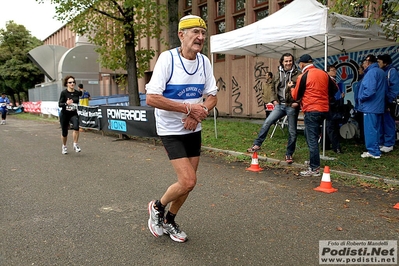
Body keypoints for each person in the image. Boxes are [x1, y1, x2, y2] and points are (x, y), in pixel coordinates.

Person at [145, 15, 218, 243]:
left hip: (192, 128)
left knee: (190, 183)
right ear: (181, 35)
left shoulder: (204, 62)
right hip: (170, 130)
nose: (200, 37)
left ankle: (169, 220)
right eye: (195, 32)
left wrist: (198, 114)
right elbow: (152, 98)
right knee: (187, 181)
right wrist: (188, 108)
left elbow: (212, 97)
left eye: (203, 33)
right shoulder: (168, 59)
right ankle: (157, 207)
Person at [247, 53, 301, 164]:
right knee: (267, 122)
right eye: (286, 61)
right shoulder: (277, 74)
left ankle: (289, 154)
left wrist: (298, 102)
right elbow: (272, 88)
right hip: (279, 105)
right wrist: (274, 100)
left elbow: (303, 90)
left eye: (290, 61)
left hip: (291, 105)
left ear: (293, 61)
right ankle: (257, 144)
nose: (288, 63)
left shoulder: (299, 75)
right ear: (282, 62)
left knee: (292, 131)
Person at [291, 54, 336, 176]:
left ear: (301, 64)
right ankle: (313, 160)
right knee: (310, 135)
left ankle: (314, 168)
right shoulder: (323, 73)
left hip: (311, 110)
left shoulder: (303, 76)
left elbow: (295, 96)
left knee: (312, 139)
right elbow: (335, 88)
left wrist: (291, 88)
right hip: (324, 110)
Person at [357, 54, 388, 159]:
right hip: (378, 105)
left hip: (370, 106)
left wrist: (361, 98)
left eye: (363, 63)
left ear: (368, 62)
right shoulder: (381, 72)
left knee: (370, 129)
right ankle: (376, 147)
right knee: (376, 128)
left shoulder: (371, 72)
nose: (363, 65)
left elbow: (369, 90)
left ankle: (373, 151)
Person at [377, 54, 399, 153]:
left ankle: (389, 143)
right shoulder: (381, 72)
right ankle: (382, 142)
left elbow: (394, 89)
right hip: (381, 102)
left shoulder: (392, 71)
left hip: (389, 102)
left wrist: (389, 101)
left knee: (388, 122)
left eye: (379, 62)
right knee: (381, 122)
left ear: (385, 63)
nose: (378, 64)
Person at [58, 76, 83, 154]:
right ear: (66, 84)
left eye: (73, 82)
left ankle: (75, 144)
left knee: (76, 127)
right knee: (64, 132)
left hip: (73, 113)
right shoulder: (64, 93)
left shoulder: (76, 92)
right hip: (65, 114)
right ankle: (64, 146)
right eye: (70, 82)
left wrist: (82, 90)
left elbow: (80, 93)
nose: (72, 83)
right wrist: (66, 103)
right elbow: (60, 104)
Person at [325, 64, 345, 153]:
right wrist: (339, 99)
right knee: (332, 127)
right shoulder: (328, 81)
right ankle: (336, 147)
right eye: (332, 70)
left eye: (335, 70)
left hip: (334, 105)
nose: (335, 71)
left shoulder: (334, 81)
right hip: (332, 105)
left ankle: (326, 144)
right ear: (328, 72)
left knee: (330, 126)